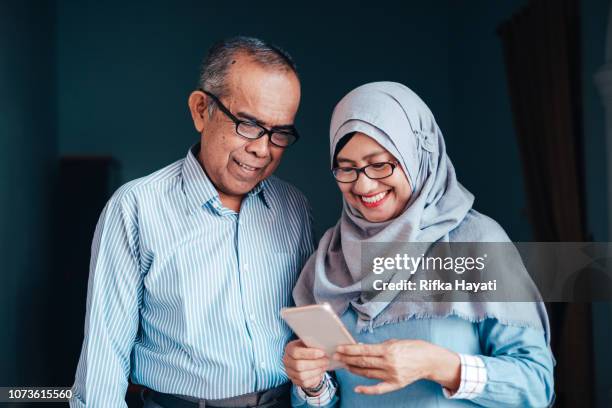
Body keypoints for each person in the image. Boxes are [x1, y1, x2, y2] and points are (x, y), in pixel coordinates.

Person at [70, 36, 314, 408]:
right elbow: (105, 357)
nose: (263, 150)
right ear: (201, 110)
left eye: (279, 133)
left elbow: (310, 328)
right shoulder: (136, 207)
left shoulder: (293, 207)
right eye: (248, 124)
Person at [284, 82, 555, 407]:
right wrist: (311, 386)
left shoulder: (475, 242)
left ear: (417, 155)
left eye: (380, 163)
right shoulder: (330, 259)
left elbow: (537, 386)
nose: (364, 184)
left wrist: (438, 365)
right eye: (347, 168)